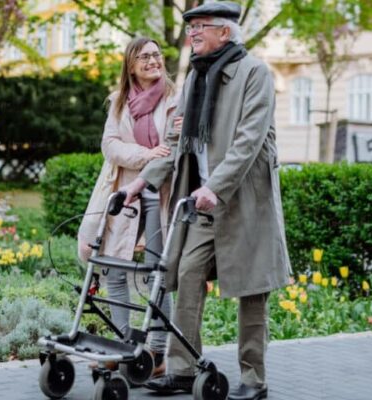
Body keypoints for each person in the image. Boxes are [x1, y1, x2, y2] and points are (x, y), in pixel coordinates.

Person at [120, 2, 292, 400]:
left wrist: (216, 185)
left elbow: (249, 141)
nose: (192, 34)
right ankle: (182, 370)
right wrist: (143, 181)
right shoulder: (195, 78)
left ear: (225, 33)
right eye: (191, 27)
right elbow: (178, 142)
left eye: (200, 27)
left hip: (245, 203)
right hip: (201, 204)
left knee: (252, 291)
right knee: (187, 275)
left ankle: (254, 379)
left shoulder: (255, 74)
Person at [77, 37, 177, 377]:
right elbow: (110, 146)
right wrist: (147, 155)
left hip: (160, 194)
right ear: (131, 65)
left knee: (156, 275)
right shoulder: (119, 101)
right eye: (145, 56)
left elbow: (174, 148)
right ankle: (122, 347)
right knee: (114, 268)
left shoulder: (176, 99)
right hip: (125, 193)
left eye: (157, 55)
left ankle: (157, 354)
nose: (153, 61)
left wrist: (153, 162)